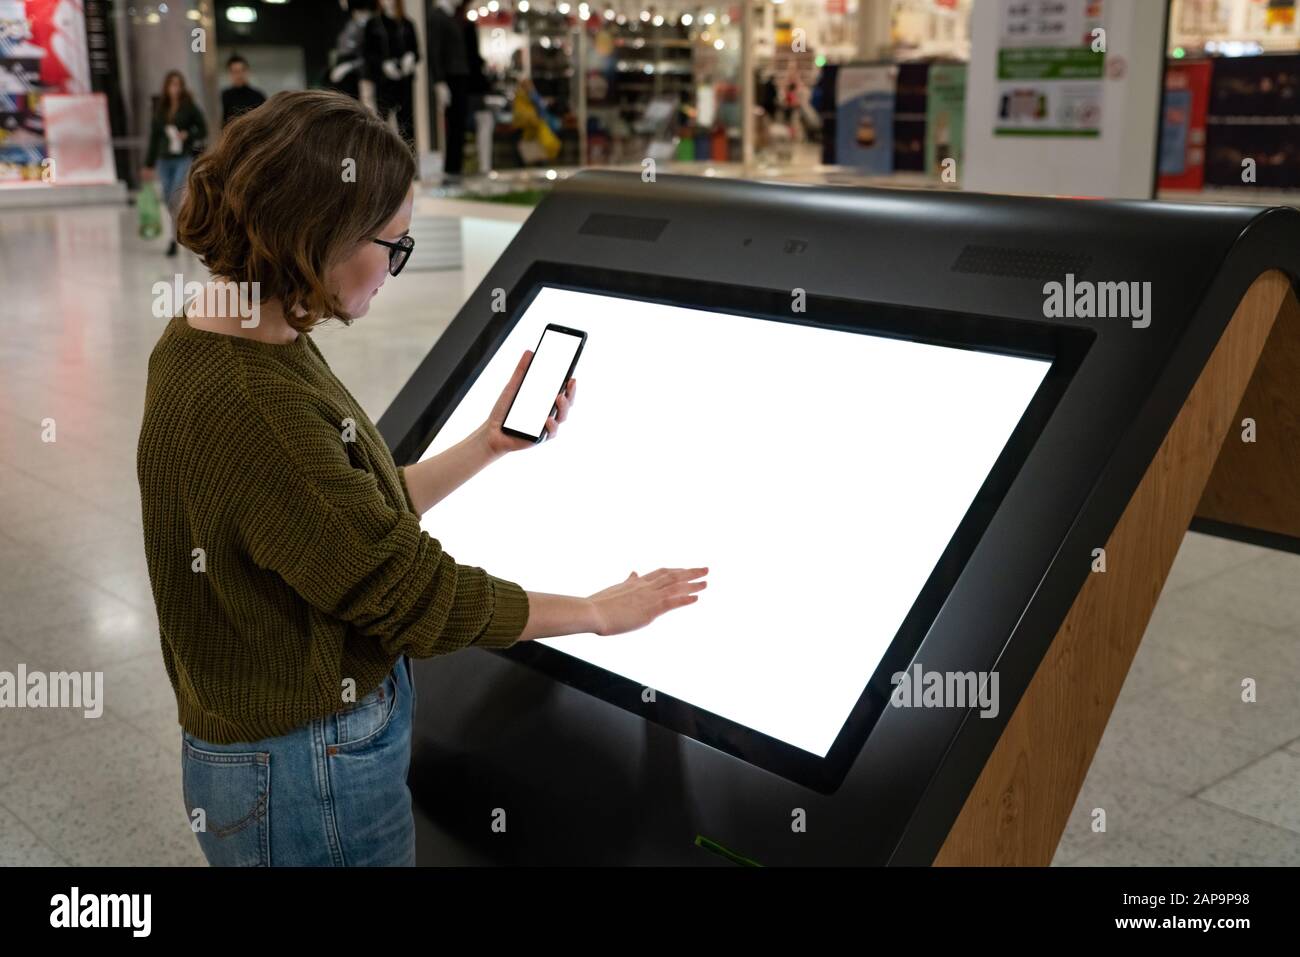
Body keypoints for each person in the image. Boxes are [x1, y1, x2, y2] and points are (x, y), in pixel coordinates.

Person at [136, 90, 707, 867]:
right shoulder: (257, 404)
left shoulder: (220, 336)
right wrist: (599, 612)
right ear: (319, 231)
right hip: (308, 774)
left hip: (272, 760)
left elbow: (336, 524)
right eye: (392, 245)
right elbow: (414, 596)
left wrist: (487, 444)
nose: (396, 269)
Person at [142, 69, 207, 257]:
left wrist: (188, 134)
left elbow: (202, 129)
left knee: (176, 197)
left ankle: (181, 234)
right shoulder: (161, 109)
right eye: (172, 84)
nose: (175, 89)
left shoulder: (189, 107)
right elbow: (154, 137)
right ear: (167, 87)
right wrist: (148, 163)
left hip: (182, 157)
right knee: (169, 200)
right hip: (164, 158)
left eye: (178, 84)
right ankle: (175, 235)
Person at [220, 54, 266, 127]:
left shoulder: (258, 96)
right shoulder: (225, 96)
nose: (239, 75)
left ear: (248, 71)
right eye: (235, 71)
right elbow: (223, 122)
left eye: (242, 70)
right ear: (230, 74)